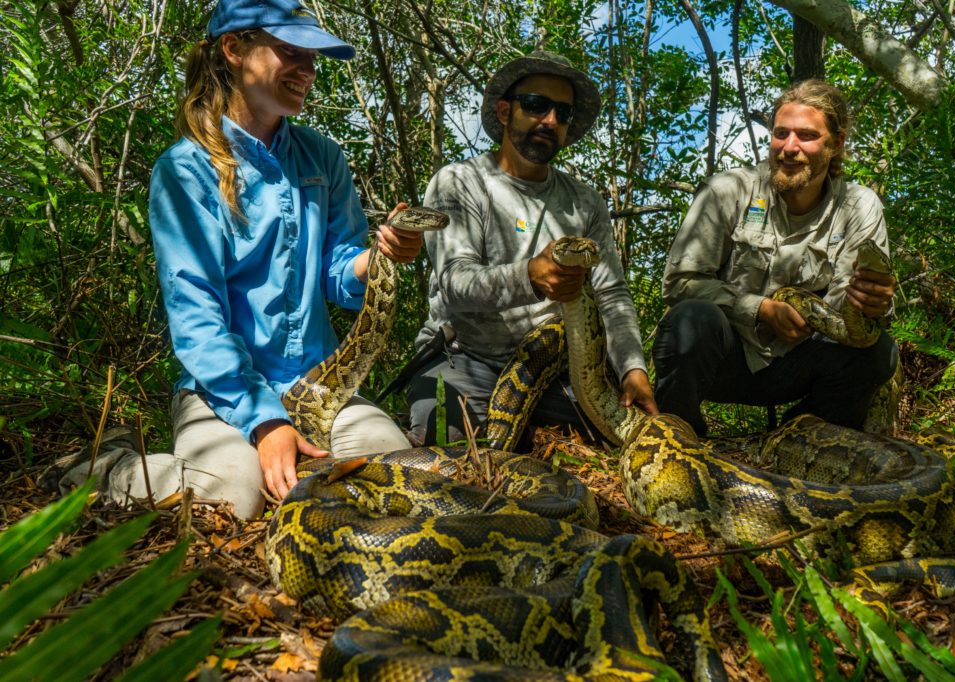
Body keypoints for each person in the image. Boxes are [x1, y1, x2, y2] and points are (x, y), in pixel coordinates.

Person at [58, 0, 422, 519]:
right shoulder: (185, 172)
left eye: (313, 58)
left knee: (400, 474)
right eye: (290, 51)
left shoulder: (323, 158)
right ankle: (103, 465)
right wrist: (267, 422)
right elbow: (196, 319)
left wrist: (379, 257)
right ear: (233, 49)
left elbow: (340, 273)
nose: (307, 70)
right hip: (222, 392)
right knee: (231, 496)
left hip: (319, 384)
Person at [405, 50, 657, 448]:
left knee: (621, 441)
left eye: (563, 112)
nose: (550, 120)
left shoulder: (585, 202)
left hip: (556, 365)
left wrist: (632, 369)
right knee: (445, 445)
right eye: (537, 104)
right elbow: (455, 282)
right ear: (505, 112)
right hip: (465, 357)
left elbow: (611, 293)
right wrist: (530, 277)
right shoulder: (459, 182)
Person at [653, 79, 898, 436]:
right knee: (689, 318)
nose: (789, 148)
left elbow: (852, 312)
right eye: (780, 133)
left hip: (798, 365)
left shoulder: (859, 207)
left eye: (807, 136)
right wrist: (761, 309)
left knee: (879, 353)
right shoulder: (728, 191)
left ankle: (805, 437)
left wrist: (874, 304)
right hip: (726, 358)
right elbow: (680, 282)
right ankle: (676, 435)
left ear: (836, 144)